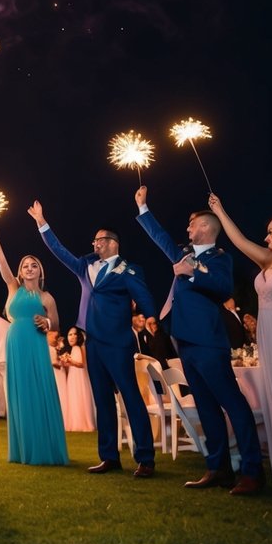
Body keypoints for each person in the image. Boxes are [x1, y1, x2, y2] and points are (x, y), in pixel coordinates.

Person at [135, 186, 263, 495]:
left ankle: (251, 472)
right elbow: (161, 237)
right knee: (206, 407)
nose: (188, 228)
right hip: (185, 343)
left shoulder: (220, 259)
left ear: (206, 227)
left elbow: (221, 289)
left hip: (209, 343)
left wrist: (192, 272)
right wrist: (143, 207)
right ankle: (217, 469)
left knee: (232, 404)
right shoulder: (183, 253)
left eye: (192, 224)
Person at [28, 198, 156, 478]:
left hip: (119, 342)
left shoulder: (129, 269)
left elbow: (144, 296)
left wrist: (151, 315)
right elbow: (60, 252)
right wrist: (42, 222)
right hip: (93, 343)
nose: (94, 244)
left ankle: (145, 458)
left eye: (99, 241)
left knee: (131, 398)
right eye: (94, 241)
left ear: (111, 243)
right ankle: (109, 456)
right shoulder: (85, 266)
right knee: (103, 400)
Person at [208, 194, 272, 498]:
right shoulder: (268, 260)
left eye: (271, 232)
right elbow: (239, 240)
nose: (266, 237)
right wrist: (219, 209)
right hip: (270, 337)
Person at [0, 231, 67, 464]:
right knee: (20, 394)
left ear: (40, 271)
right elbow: (2, 265)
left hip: (36, 345)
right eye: (25, 266)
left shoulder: (47, 297)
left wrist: (48, 323)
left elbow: (57, 324)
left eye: (34, 266)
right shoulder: (13, 287)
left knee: (38, 390)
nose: (29, 268)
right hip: (15, 344)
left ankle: (43, 446)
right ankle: (25, 448)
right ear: (20, 272)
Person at [61, 327, 95, 432]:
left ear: (78, 336)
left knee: (77, 396)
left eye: (73, 334)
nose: (71, 337)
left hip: (77, 375)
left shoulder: (76, 348)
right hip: (74, 374)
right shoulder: (76, 348)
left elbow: (80, 364)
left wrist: (69, 360)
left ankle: (79, 423)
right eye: (69, 335)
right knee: (77, 396)